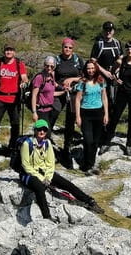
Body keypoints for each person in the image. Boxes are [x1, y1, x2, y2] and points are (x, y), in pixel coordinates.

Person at [18, 120, 104, 219]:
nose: (42, 132)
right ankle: (47, 216)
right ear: (35, 130)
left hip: (45, 172)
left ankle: (90, 201)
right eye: (39, 129)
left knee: (67, 184)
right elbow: (26, 166)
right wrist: (42, 179)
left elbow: (50, 163)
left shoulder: (47, 143)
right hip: (28, 174)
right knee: (39, 188)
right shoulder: (27, 144)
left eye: (44, 130)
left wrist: (48, 177)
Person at [103, 40, 131, 156]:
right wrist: (116, 79)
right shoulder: (120, 61)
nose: (130, 50)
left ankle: (128, 145)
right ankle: (107, 142)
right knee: (115, 118)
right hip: (122, 93)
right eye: (128, 48)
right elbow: (112, 71)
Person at [53, 38, 84, 167]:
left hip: (73, 93)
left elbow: (84, 76)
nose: (67, 49)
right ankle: (48, 145)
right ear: (62, 47)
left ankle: (67, 148)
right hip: (59, 93)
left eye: (70, 47)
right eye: (65, 47)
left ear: (73, 48)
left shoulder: (77, 60)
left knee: (70, 122)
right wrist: (60, 87)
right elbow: (51, 76)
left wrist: (72, 79)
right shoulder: (57, 60)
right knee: (52, 115)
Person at [74, 60, 108, 175]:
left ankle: (91, 164)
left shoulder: (101, 80)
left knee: (95, 141)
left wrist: (106, 114)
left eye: (92, 68)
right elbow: (78, 100)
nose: (91, 70)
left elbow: (104, 98)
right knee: (88, 140)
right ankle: (86, 165)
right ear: (85, 69)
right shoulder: (82, 83)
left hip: (98, 113)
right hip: (86, 113)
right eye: (88, 68)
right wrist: (78, 116)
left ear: (96, 69)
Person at [90, 21, 122, 105]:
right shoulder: (98, 44)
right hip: (101, 74)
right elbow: (93, 61)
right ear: (103, 31)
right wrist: (104, 72)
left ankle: (112, 116)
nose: (108, 32)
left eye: (110, 30)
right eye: (106, 30)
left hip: (114, 74)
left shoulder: (117, 43)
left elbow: (120, 57)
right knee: (102, 97)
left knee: (114, 98)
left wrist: (117, 70)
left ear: (113, 31)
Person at [30, 56, 64, 127]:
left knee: (47, 133)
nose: (49, 68)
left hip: (50, 109)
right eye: (47, 66)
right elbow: (34, 96)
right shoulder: (39, 78)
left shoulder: (51, 76)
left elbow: (50, 93)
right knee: (42, 132)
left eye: (52, 66)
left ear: (54, 67)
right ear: (44, 65)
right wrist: (34, 112)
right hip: (41, 110)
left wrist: (64, 92)